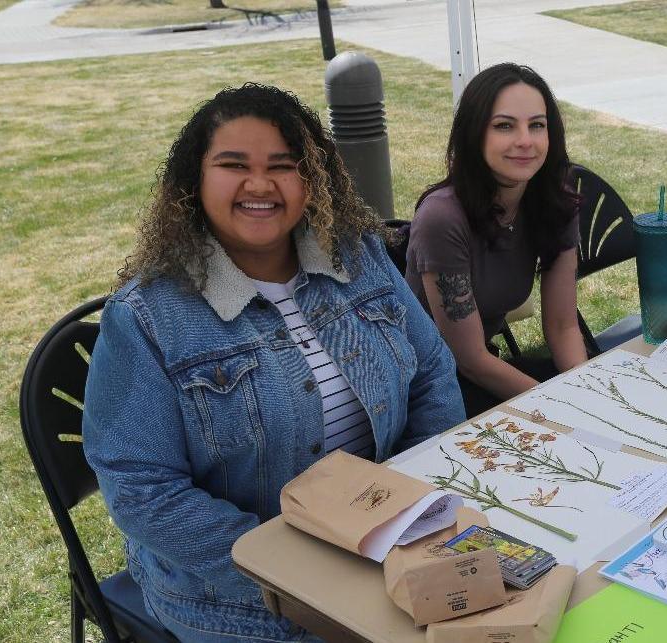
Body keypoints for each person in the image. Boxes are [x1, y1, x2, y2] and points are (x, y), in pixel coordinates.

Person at [82, 83, 465, 642]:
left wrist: (409, 509)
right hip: (238, 596)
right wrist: (293, 568)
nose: (259, 184)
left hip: (387, 545)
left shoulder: (356, 257)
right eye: (233, 164)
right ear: (195, 181)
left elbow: (432, 372)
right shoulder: (146, 317)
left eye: (282, 166)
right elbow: (141, 488)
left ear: (312, 180)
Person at [405, 63, 587, 417]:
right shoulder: (442, 218)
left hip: (487, 372)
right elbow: (470, 360)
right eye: (504, 126)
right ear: (475, 134)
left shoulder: (555, 203)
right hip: (427, 390)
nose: (525, 140)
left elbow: (563, 326)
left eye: (537, 125)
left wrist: (583, 390)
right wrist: (561, 407)